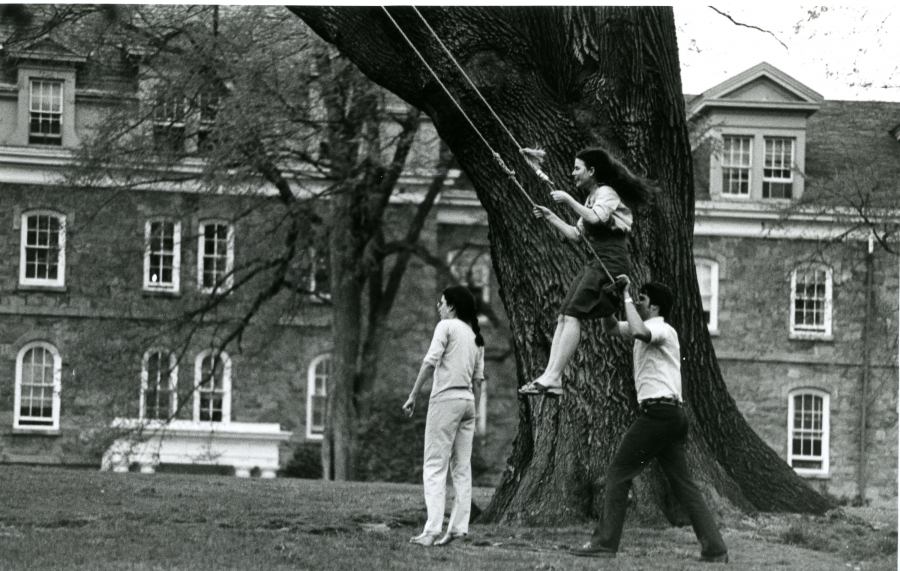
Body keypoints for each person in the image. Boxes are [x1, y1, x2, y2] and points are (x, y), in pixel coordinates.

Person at [569, 277, 729, 563]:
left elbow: (640, 331)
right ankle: (715, 549)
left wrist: (627, 295)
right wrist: (611, 301)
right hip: (670, 417)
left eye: (642, 299)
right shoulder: (646, 326)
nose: (638, 302)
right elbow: (609, 326)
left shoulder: (662, 329)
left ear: (653, 306)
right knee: (684, 484)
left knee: (619, 472)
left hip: (660, 415)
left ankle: (605, 543)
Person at [519, 147, 656, 396]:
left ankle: (554, 376)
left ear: (591, 171)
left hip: (611, 263)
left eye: (577, 168)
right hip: (596, 261)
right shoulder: (592, 197)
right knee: (563, 315)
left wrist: (568, 201)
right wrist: (550, 216)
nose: (573, 173)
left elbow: (596, 219)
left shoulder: (607, 193)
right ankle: (551, 376)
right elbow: (576, 234)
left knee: (572, 315)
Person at [404, 285, 485, 547]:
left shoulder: (446, 327)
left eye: (441, 303)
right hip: (468, 404)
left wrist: (414, 395)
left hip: (446, 400)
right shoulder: (475, 336)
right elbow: (479, 381)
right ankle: (459, 528)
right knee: (462, 469)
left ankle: (431, 531)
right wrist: (474, 416)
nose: (438, 307)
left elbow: (430, 361)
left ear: (451, 306)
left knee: (434, 467)